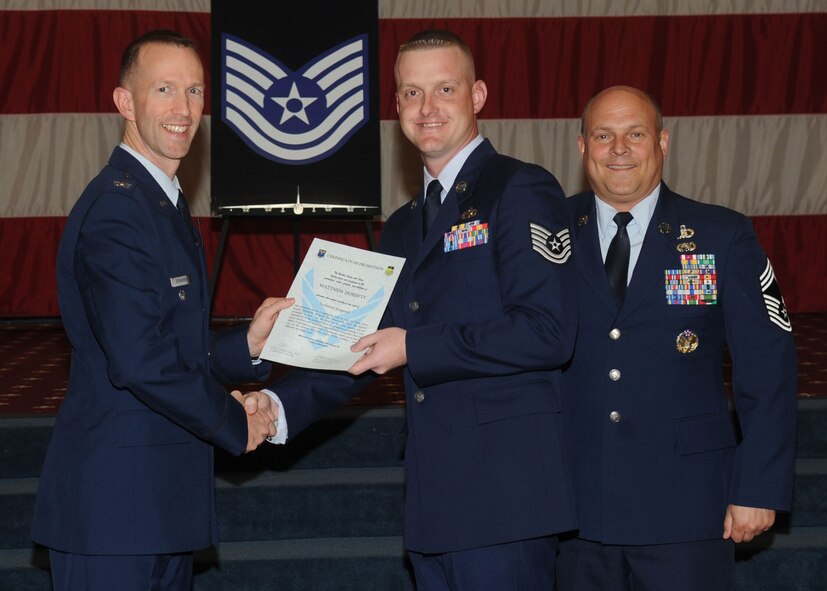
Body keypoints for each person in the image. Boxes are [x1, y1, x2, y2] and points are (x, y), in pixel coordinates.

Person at [251, 29, 578, 590]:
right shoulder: (403, 225)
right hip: (434, 501)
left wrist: (415, 345)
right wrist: (275, 406)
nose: (427, 109)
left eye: (444, 89)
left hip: (508, 497)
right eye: (410, 93)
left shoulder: (520, 188)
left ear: (477, 96)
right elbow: (362, 342)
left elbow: (547, 332)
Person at [30, 29, 291, 590]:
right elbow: (140, 360)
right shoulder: (118, 211)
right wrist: (232, 421)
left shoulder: (160, 203)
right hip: (115, 510)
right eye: (164, 89)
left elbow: (173, 344)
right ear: (125, 102)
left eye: (195, 91)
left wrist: (245, 343)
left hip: (156, 507)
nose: (183, 109)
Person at [557, 85, 798, 590]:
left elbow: (767, 367)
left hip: (688, 504)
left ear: (662, 142)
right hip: (573, 503)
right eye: (603, 135)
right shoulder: (548, 235)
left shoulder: (721, 235)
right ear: (583, 148)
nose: (619, 149)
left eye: (635, 134)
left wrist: (759, 484)